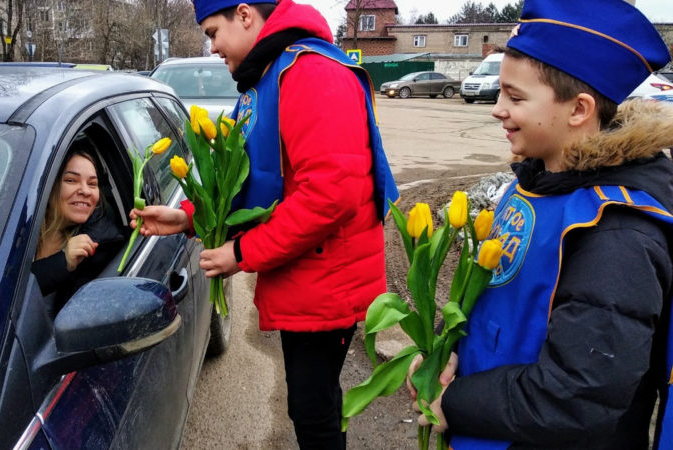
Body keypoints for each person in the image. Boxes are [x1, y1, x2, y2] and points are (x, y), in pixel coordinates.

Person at [130, 0, 398, 447]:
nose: (212, 47)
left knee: (314, 413)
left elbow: (329, 195)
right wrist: (187, 218)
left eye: (213, 32)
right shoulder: (270, 75)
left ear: (245, 14)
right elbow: (244, 182)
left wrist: (240, 252)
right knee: (314, 406)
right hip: (309, 276)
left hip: (328, 282)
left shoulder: (311, 73)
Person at [408, 1, 673, 449]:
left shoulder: (618, 233)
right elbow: (500, 306)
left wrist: (456, 403)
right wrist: (447, 356)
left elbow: (578, 396)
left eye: (515, 97)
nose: (497, 109)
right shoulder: (536, 183)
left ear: (578, 110)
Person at [32, 143, 125, 314]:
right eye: (70, 180)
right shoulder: (16, 233)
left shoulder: (101, 248)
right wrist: (61, 263)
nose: (85, 190)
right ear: (48, 186)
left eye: (92, 184)